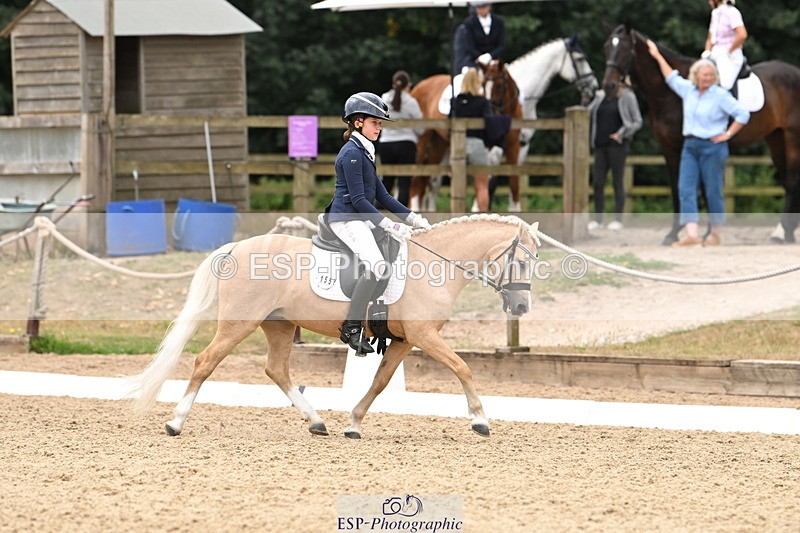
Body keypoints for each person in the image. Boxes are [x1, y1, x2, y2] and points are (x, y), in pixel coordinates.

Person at [326, 92, 431, 354]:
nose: (380, 129)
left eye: (381, 124)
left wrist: (414, 218)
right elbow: (360, 200)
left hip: (361, 217)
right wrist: (391, 225)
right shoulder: (351, 153)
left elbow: (382, 195)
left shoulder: (366, 151)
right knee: (376, 264)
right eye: (376, 123)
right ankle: (351, 327)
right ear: (358, 122)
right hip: (346, 218)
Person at [647, 40, 749, 247]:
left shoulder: (720, 95)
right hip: (690, 147)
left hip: (713, 147)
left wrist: (728, 134)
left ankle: (716, 234)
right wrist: (657, 55)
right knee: (685, 189)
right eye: (705, 75)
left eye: (711, 75)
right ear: (696, 76)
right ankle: (692, 234)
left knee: (713, 191)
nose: (708, 78)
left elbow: (743, 113)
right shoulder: (688, 90)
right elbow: (670, 76)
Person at [587, 81, 643, 231]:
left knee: (617, 181)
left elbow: (637, 121)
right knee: (598, 183)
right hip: (600, 145)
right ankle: (598, 220)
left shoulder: (627, 97)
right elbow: (587, 112)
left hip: (617, 146)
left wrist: (622, 134)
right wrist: (587, 99)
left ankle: (618, 219)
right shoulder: (600, 97)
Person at [379, 71, 424, 207]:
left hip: (386, 143)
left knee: (387, 181)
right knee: (404, 183)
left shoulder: (384, 98)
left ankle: (379, 217)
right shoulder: (411, 102)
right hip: (406, 144)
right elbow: (420, 127)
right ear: (408, 85)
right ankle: (400, 216)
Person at [452, 68, 494, 212]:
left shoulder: (456, 101)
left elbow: (449, 123)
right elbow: (489, 123)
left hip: (459, 144)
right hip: (477, 143)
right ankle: (484, 219)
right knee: (482, 185)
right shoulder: (483, 102)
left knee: (458, 185)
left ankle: (457, 219)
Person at [702, 0, 748, 91]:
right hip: (715, 53)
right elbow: (710, 38)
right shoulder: (715, 13)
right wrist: (707, 51)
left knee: (724, 85)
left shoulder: (732, 12)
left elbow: (742, 35)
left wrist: (729, 50)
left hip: (730, 55)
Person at [458, 2, 506, 72]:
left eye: (484, 7)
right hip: (475, 61)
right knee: (465, 74)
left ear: (489, 7)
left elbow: (502, 45)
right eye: (479, 7)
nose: (482, 10)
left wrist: (490, 56)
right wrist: (480, 57)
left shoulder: (499, 21)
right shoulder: (469, 23)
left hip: (495, 60)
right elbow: (469, 46)